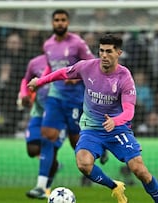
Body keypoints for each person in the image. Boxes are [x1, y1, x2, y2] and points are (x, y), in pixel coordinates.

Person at [28, 34, 158, 203]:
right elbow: (64, 73)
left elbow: (129, 111)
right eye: (101, 51)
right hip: (91, 129)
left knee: (139, 170)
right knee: (83, 164)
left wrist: (115, 121)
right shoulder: (87, 67)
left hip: (117, 129)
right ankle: (114, 186)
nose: (104, 55)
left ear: (119, 53)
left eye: (109, 51)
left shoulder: (125, 78)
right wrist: (40, 81)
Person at [26, 9, 97, 198]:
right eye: (56, 20)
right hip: (55, 97)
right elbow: (51, 67)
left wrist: (76, 78)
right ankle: (41, 186)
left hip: (75, 99)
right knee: (47, 136)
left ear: (67, 22)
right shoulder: (48, 44)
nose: (59, 23)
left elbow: (92, 65)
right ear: (52, 23)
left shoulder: (77, 43)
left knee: (77, 143)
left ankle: (98, 159)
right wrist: (41, 81)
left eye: (63, 20)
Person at [18, 54, 66, 199]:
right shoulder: (35, 63)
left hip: (59, 113)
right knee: (32, 149)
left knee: (49, 145)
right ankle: (53, 166)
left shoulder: (68, 62)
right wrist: (24, 94)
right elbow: (26, 80)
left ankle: (42, 188)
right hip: (38, 111)